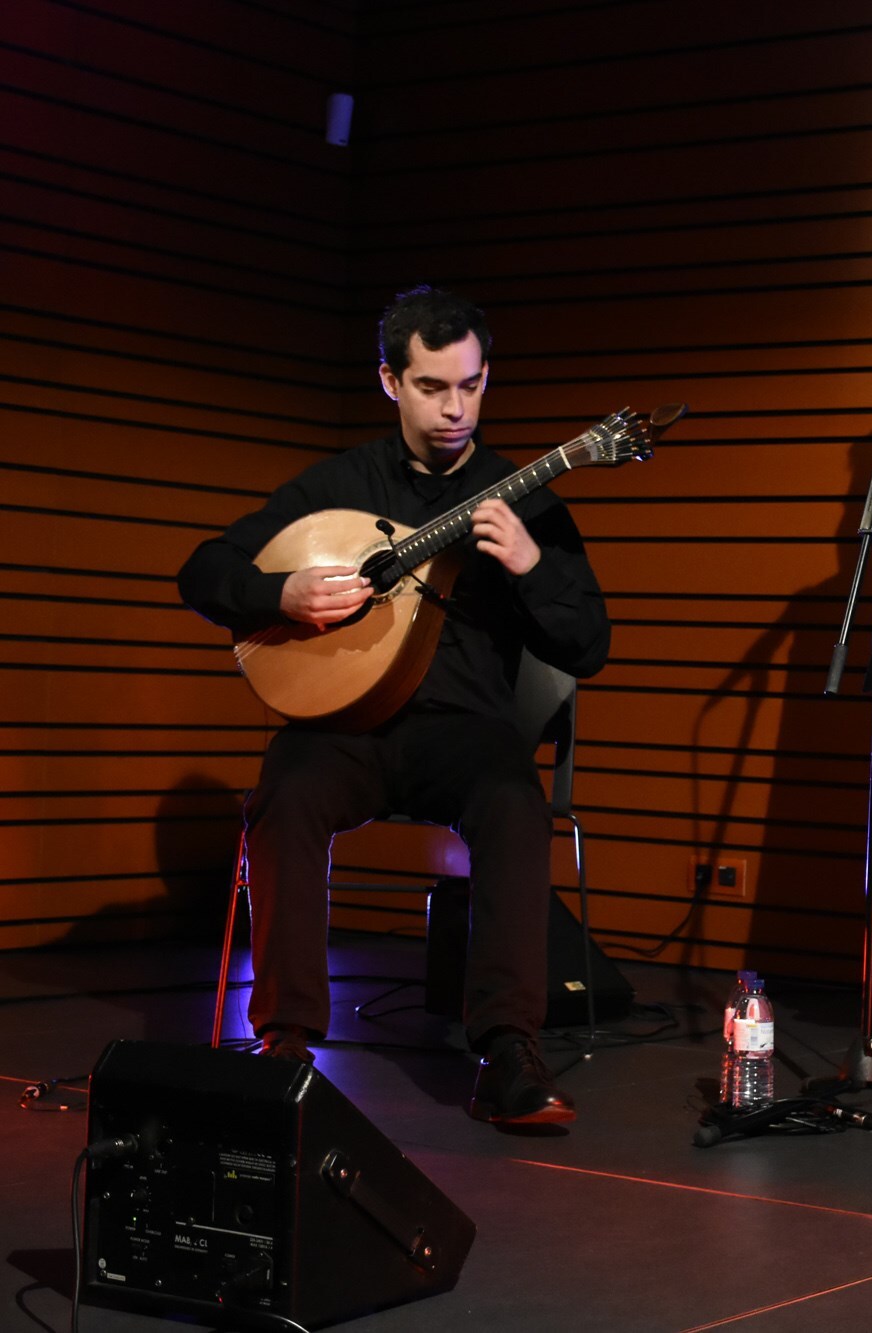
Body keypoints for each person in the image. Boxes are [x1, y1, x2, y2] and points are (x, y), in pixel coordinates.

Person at [179, 286, 610, 1126]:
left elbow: (589, 644)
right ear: (389, 380)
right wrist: (282, 592)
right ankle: (287, 1043)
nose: (457, 409)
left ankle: (507, 1049)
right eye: (432, 387)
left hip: (464, 734)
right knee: (287, 790)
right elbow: (202, 570)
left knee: (516, 802)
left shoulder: (523, 497)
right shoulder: (338, 484)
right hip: (346, 730)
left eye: (472, 385)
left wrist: (532, 565)